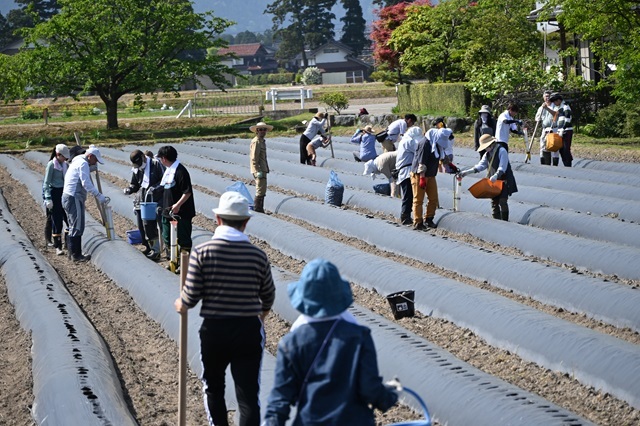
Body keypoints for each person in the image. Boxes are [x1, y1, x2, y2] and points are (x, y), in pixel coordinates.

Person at [175, 191, 275, 426]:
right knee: (248, 394)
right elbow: (268, 295)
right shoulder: (258, 256)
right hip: (248, 330)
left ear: (218, 220)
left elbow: (191, 295)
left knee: (213, 387)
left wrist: (182, 302)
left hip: (215, 330)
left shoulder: (203, 252)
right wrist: (262, 315)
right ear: (246, 222)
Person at [263, 259, 398, 426]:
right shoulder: (359, 336)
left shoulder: (291, 344)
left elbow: (280, 400)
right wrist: (389, 396)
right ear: (339, 296)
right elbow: (369, 389)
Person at [62, 146, 108, 262]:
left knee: (73, 224)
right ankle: (76, 255)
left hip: (68, 196)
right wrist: (99, 195)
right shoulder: (83, 164)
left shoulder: (78, 160)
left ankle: (72, 253)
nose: (95, 163)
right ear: (90, 156)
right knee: (77, 225)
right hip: (74, 196)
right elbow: (86, 183)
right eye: (95, 160)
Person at [458, 134, 518, 221]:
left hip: (504, 180)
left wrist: (496, 175)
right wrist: (467, 172)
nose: (486, 149)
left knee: (502, 201)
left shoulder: (502, 151)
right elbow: (480, 166)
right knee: (494, 202)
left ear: (491, 144)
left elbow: (502, 167)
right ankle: (496, 221)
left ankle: (505, 222)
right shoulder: (487, 154)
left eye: (486, 147)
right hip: (494, 182)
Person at [123, 149, 165, 260]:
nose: (139, 166)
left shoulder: (156, 164)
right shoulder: (137, 169)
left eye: (139, 163)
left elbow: (165, 180)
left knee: (162, 225)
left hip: (158, 200)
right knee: (147, 225)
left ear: (143, 157)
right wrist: (130, 189)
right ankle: (154, 250)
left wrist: (154, 188)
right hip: (145, 201)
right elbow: (135, 184)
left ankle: (169, 251)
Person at [157, 145, 196, 264]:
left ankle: (184, 265)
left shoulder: (180, 172)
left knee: (183, 239)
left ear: (164, 158)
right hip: (168, 211)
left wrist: (178, 205)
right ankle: (173, 261)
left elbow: (187, 192)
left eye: (160, 158)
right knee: (168, 237)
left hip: (182, 213)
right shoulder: (168, 171)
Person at [412, 127, 454, 230]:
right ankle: (418, 222)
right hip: (420, 175)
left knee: (433, 198)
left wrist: (451, 165)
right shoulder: (425, 144)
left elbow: (442, 157)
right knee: (419, 199)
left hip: (431, 175)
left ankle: (429, 219)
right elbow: (421, 163)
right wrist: (422, 178)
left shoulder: (437, 145)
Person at [43, 144, 70, 255]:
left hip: (64, 193)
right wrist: (48, 198)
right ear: (58, 155)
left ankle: (68, 244)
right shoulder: (51, 165)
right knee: (57, 220)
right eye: (64, 157)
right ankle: (57, 246)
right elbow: (46, 183)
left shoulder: (65, 165)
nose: (66, 159)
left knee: (68, 218)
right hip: (55, 193)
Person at [395, 126, 425, 226]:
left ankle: (407, 215)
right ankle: (405, 216)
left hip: (407, 170)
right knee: (408, 195)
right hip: (406, 170)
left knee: (410, 195)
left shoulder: (404, 140)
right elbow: (419, 149)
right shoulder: (408, 142)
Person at [249, 121, 273, 213]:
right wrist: (258, 170)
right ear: (257, 130)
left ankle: (260, 209)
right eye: (261, 130)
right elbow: (254, 158)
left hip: (263, 169)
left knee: (263, 189)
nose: (263, 131)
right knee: (260, 190)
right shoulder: (256, 142)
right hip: (259, 170)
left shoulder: (262, 141)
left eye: (264, 129)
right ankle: (258, 209)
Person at [535, 90, 559, 166]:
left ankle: (555, 164)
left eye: (549, 96)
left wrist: (547, 108)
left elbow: (555, 114)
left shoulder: (555, 106)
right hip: (545, 129)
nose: (547, 98)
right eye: (546, 96)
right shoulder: (541, 108)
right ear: (543, 98)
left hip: (553, 128)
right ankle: (545, 163)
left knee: (554, 146)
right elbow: (537, 118)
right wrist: (538, 119)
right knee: (543, 146)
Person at [550, 92, 574, 167]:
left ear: (559, 100)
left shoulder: (565, 106)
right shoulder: (559, 108)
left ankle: (568, 164)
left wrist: (563, 129)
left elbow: (568, 119)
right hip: (561, 131)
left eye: (555, 101)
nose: (554, 103)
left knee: (566, 148)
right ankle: (565, 163)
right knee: (561, 149)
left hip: (566, 130)